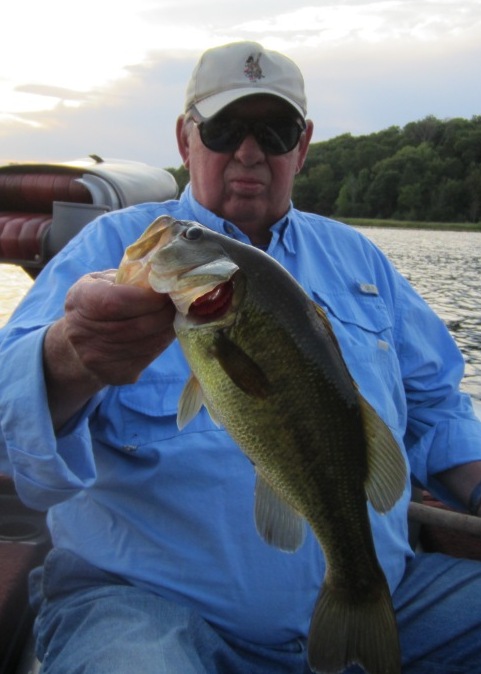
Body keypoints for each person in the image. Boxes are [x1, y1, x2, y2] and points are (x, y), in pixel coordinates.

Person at [1, 40, 481, 674]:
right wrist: (70, 356)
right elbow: (8, 416)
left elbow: (437, 407)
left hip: (387, 594)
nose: (249, 152)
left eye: (275, 131)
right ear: (185, 140)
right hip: (152, 611)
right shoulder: (114, 248)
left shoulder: (360, 262)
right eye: (225, 128)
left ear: (302, 147)